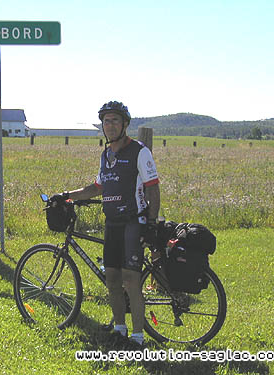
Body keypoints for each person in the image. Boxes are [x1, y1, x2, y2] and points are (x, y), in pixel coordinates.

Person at [51, 100, 160, 347]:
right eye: (106, 121)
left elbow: (153, 189)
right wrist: (67, 195)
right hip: (112, 222)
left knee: (131, 280)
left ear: (125, 125)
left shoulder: (139, 151)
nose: (110, 125)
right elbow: (97, 188)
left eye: (115, 120)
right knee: (112, 278)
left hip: (134, 221)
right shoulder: (106, 154)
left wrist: (151, 223)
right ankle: (120, 329)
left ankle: (138, 337)